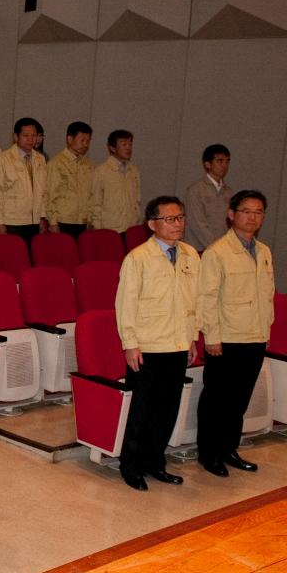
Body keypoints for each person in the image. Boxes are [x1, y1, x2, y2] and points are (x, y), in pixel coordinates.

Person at [114, 195, 200, 491]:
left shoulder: (190, 254)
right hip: (148, 346)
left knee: (167, 409)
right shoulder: (137, 258)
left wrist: (192, 336)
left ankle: (155, 462)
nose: (177, 224)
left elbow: (194, 300)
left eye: (180, 218)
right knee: (141, 410)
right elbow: (125, 304)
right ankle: (131, 465)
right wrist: (130, 343)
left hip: (177, 344)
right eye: (169, 219)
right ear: (152, 224)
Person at [196, 190, 274, 477]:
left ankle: (229, 448)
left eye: (258, 212)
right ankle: (209, 453)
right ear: (231, 214)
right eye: (246, 211)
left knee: (239, 400)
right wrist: (212, 337)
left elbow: (266, 296)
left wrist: (266, 330)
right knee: (217, 399)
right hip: (226, 338)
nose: (252, 217)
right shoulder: (217, 252)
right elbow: (207, 298)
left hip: (254, 336)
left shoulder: (263, 251)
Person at [0, 117, 47, 241]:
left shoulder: (40, 159)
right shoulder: (3, 159)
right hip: (11, 221)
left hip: (34, 220)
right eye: (26, 135)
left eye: (33, 135)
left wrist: (42, 217)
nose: (30, 139)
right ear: (16, 137)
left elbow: (42, 191)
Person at [45, 121, 94, 237]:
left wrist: (90, 219)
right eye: (82, 140)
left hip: (83, 221)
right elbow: (49, 195)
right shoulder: (57, 163)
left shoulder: (89, 165)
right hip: (63, 221)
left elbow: (91, 195)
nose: (85, 144)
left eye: (88, 141)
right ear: (70, 139)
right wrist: (52, 222)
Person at [184, 144, 234, 251]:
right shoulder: (195, 190)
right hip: (198, 249)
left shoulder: (229, 192)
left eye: (227, 161)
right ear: (207, 164)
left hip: (221, 249)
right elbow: (198, 224)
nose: (224, 165)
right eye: (220, 161)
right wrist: (216, 249)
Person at [90, 129, 141, 233]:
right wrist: (97, 228)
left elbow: (137, 201)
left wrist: (137, 221)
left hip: (130, 228)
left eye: (130, 144)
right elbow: (95, 203)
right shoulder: (101, 171)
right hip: (109, 229)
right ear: (112, 148)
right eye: (124, 144)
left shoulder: (134, 171)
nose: (128, 148)